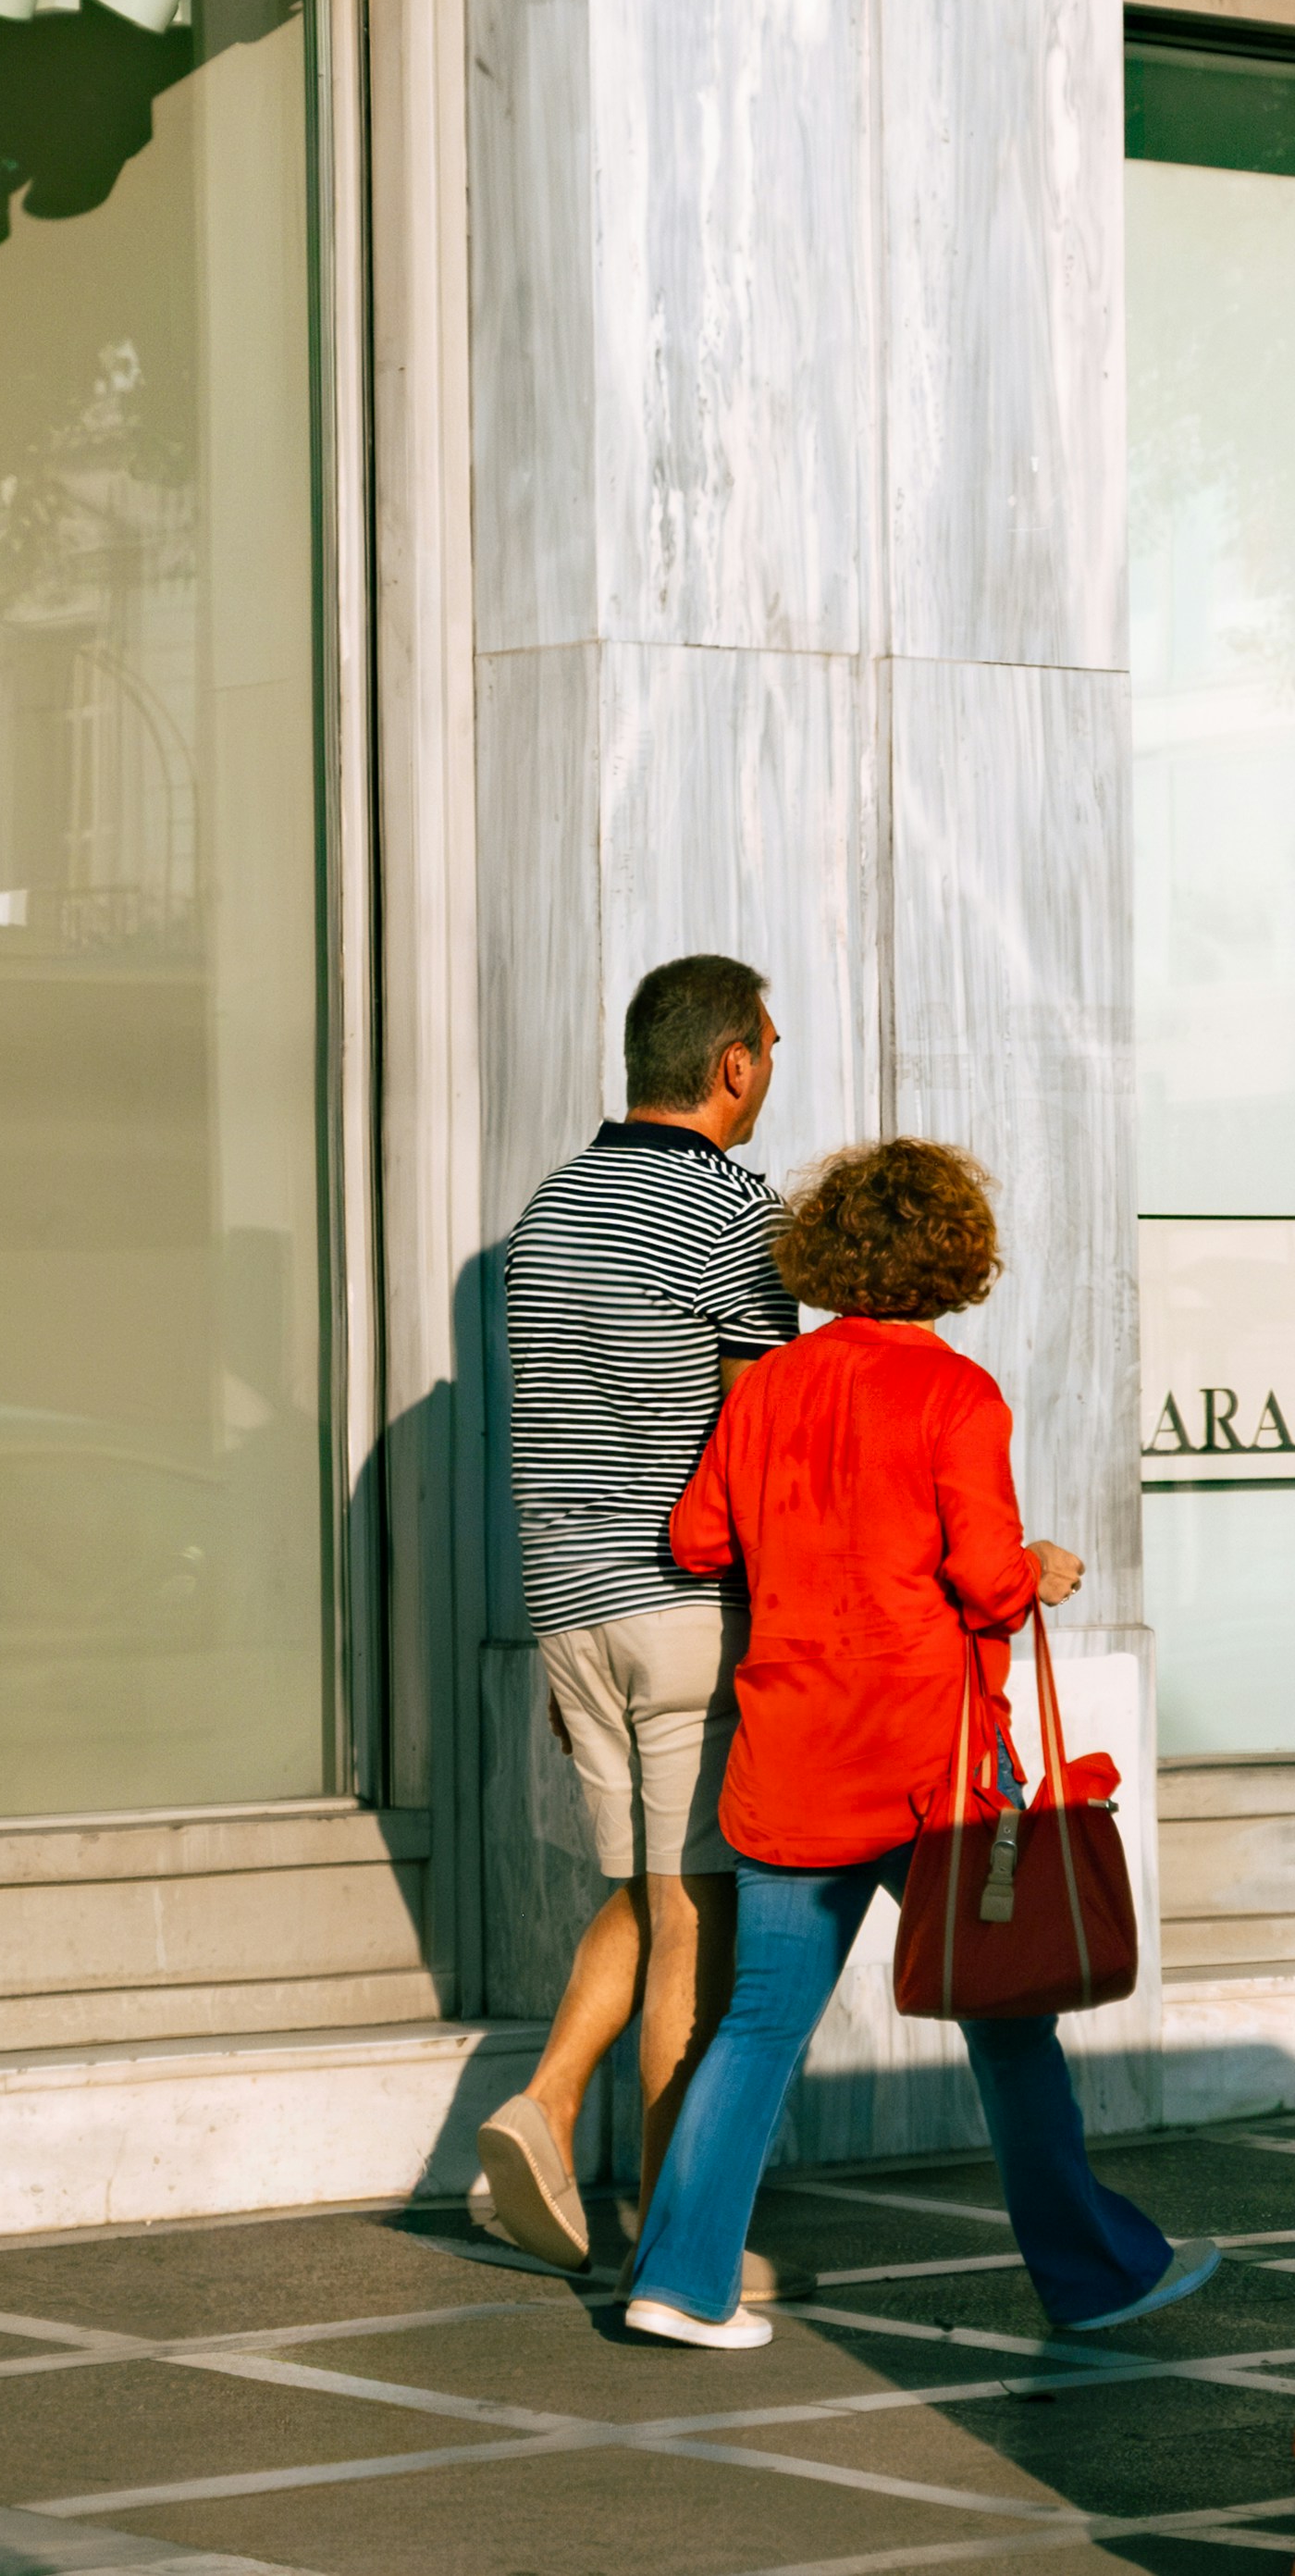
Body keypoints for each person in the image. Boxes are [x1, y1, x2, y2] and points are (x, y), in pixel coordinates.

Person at [623, 1137, 1217, 2354]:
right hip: (933, 1768)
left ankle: (679, 2279)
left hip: (792, 1756)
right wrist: (1041, 1562)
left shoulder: (770, 1388)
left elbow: (694, 1538)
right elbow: (990, 1584)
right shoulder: (957, 1396)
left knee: (757, 2024)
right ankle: (1094, 2273)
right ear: (953, 1254)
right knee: (1008, 2027)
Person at [479, 953, 796, 2284]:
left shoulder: (548, 1209)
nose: (771, 1071)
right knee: (700, 1923)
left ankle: (545, 2104)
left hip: (567, 1607)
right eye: (769, 1048)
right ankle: (682, 2240)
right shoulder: (735, 1209)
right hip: (687, 1604)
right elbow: (759, 1431)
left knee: (650, 1886)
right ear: (732, 1062)